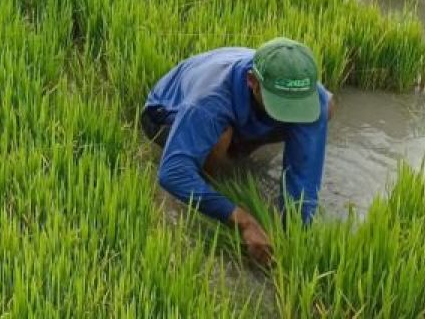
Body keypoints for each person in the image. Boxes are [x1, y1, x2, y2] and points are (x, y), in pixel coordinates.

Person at [140, 39, 332, 267]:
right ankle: (212, 180)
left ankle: (235, 149)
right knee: (221, 135)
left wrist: (297, 238)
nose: (289, 115)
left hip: (237, 104)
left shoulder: (312, 97)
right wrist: (243, 221)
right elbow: (172, 173)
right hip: (166, 114)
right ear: (253, 81)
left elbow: (304, 178)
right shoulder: (208, 102)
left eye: (295, 105)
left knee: (323, 110)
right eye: (281, 104)